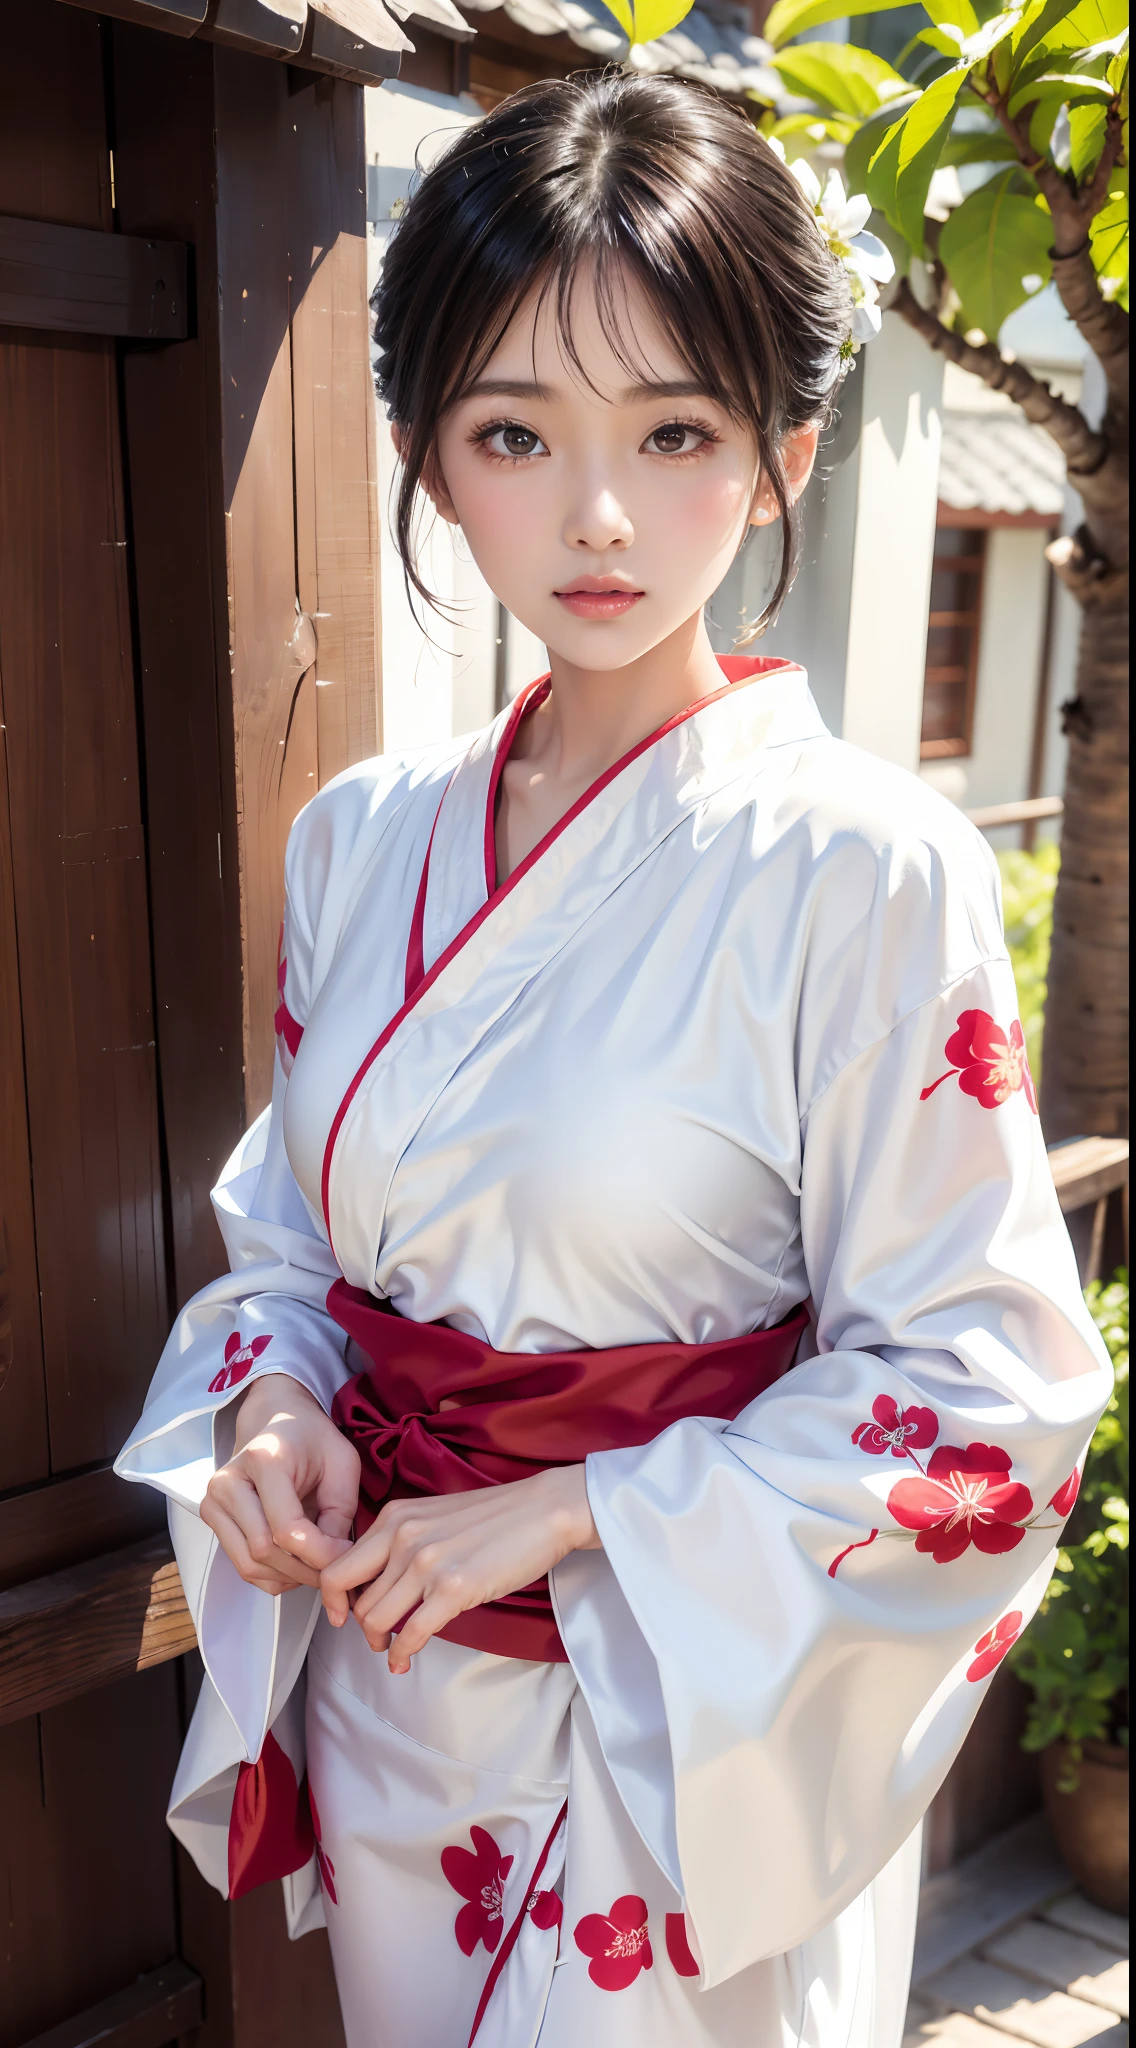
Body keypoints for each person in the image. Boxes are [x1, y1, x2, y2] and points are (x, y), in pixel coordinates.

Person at [116, 71, 1110, 2048]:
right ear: (426, 453)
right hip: (394, 1692)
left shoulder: (863, 866)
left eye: (674, 432)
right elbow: (300, 1254)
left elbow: (985, 1391)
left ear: (780, 453)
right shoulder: (362, 840)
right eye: (513, 432)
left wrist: (581, 1507)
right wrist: (276, 1411)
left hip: (675, 1727)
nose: (591, 513)